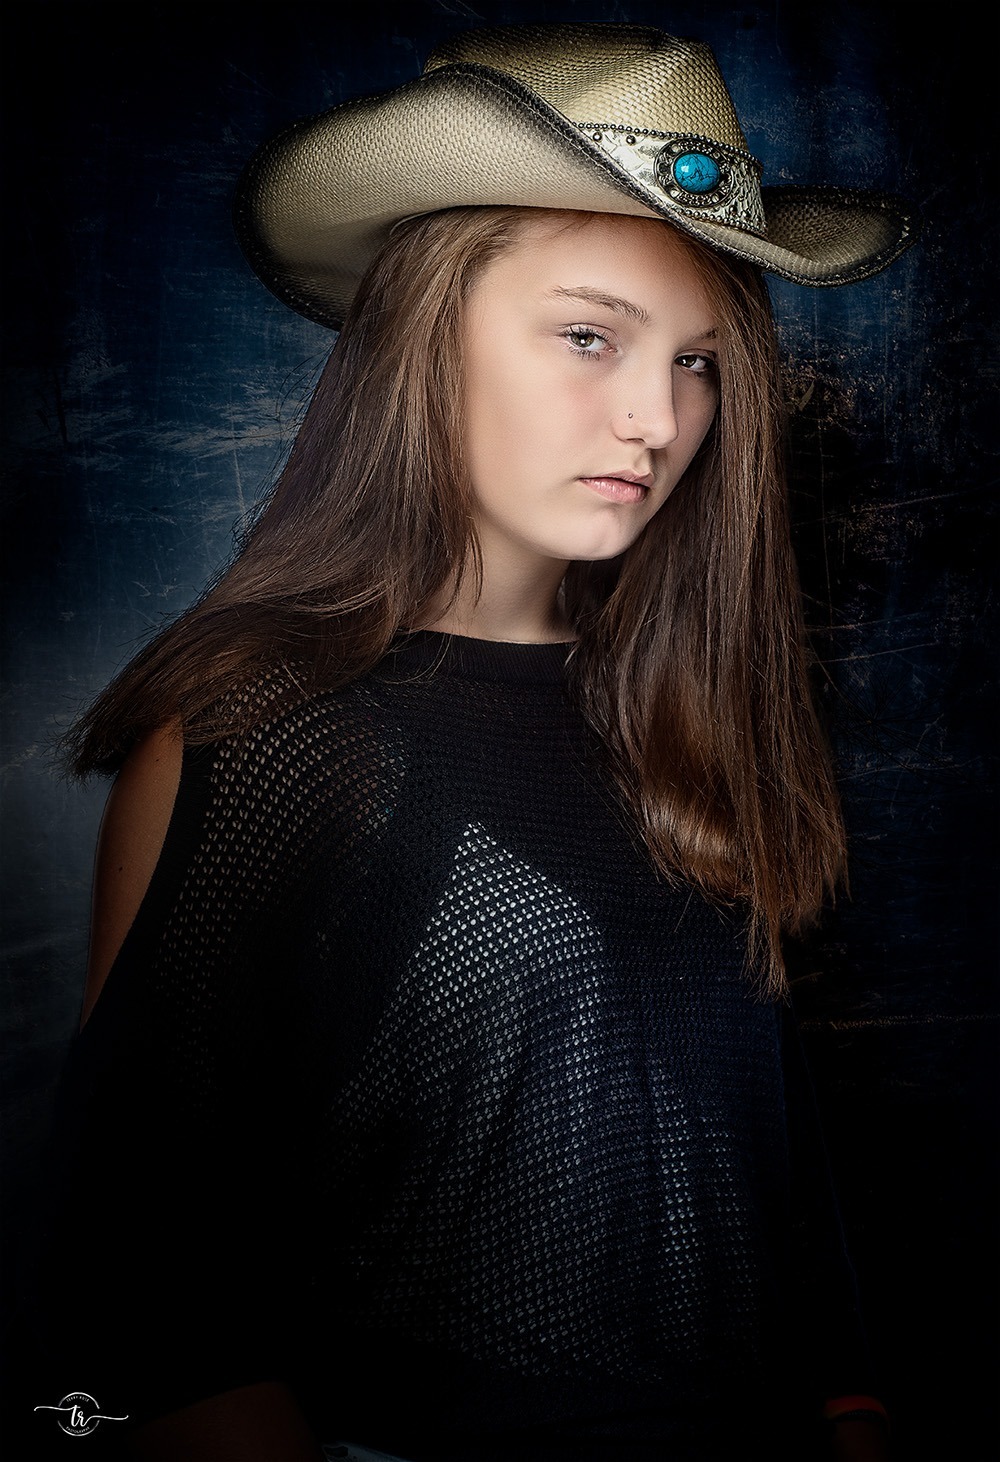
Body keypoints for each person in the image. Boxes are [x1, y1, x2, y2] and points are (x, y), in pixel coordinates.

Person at [24, 23, 915, 1462]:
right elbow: (145, 1289)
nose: (659, 416)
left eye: (698, 361)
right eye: (588, 335)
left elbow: (774, 1178)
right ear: (425, 332)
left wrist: (854, 1412)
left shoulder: (681, 710)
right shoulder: (270, 736)